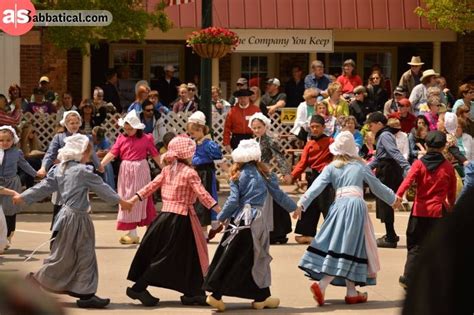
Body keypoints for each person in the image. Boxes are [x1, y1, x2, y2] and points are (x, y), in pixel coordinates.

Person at [6, 134, 131, 309]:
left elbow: (43, 187)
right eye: (88, 150)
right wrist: (122, 202)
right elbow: (103, 189)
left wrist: (23, 197)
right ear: (80, 151)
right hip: (78, 218)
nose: (90, 153)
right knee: (81, 254)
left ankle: (85, 293)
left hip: (65, 216)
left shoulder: (59, 169)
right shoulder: (83, 171)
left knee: (68, 253)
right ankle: (40, 282)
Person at [297, 131, 400, 306]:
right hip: (356, 207)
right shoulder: (360, 166)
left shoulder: (331, 167)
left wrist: (301, 203)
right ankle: (322, 285)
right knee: (349, 246)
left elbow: (316, 186)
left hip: (338, 206)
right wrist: (393, 198)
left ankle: (351, 292)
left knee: (345, 245)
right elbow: (376, 186)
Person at [203, 139, 299, 312]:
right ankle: (218, 295)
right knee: (254, 256)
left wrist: (222, 217)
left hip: (239, 221)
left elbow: (233, 200)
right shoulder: (264, 174)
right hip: (256, 221)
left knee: (236, 255)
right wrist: (294, 208)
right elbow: (278, 195)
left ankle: (261, 296)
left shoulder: (237, 175)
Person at [125, 136, 221, 307]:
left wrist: (133, 199)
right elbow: (202, 194)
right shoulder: (190, 172)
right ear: (187, 153)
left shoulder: (167, 169)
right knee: (170, 257)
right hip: (181, 219)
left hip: (164, 218)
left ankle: (194, 292)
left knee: (187, 255)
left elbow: (151, 187)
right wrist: (220, 212)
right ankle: (138, 288)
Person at [396, 131, 456, 289]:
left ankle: (408, 278)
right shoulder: (448, 167)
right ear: (444, 147)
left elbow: (407, 180)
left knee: (415, 246)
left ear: (427, 145)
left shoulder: (419, 164)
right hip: (438, 212)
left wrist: (398, 196)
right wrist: (451, 208)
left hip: (419, 211)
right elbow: (452, 192)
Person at [100, 110, 160, 244]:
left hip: (140, 170)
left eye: (130, 129)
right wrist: (102, 164)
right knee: (126, 197)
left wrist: (165, 168)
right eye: (125, 128)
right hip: (126, 170)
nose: (127, 131)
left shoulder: (146, 138)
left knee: (142, 197)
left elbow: (155, 155)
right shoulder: (121, 138)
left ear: (137, 127)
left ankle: (149, 233)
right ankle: (132, 232)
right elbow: (113, 152)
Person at [37, 110, 102, 230]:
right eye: (71, 123)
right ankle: (56, 233)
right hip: (63, 172)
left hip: (79, 173)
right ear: (65, 124)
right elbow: (50, 153)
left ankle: (79, 231)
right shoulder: (59, 137)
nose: (74, 125)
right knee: (60, 203)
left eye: (77, 122)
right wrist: (43, 167)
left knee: (79, 202)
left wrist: (98, 165)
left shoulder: (84, 137)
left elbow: (91, 153)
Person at [366, 112, 410, 248]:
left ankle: (390, 237)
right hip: (385, 168)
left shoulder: (384, 135)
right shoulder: (383, 135)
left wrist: (407, 168)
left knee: (386, 202)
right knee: (384, 202)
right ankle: (390, 234)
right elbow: (379, 157)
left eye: (371, 125)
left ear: (379, 124)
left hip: (388, 171)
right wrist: (366, 167)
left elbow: (394, 152)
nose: (370, 128)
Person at [248, 113, 293, 244]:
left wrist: (285, 172)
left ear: (265, 126)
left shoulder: (270, 140)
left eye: (259, 127)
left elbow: (279, 157)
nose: (257, 130)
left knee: (272, 202)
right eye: (254, 128)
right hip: (254, 174)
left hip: (265, 172)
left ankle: (276, 233)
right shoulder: (253, 142)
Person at [290, 115, 334, 244]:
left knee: (327, 206)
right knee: (309, 204)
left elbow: (337, 158)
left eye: (317, 127)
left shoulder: (331, 141)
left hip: (327, 178)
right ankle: (307, 233)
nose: (315, 129)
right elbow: (302, 163)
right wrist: (292, 176)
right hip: (314, 177)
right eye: (312, 127)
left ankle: (333, 234)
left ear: (323, 127)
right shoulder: (309, 144)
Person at [186, 111, 223, 241]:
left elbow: (220, 160)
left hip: (206, 175)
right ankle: (205, 229)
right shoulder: (195, 143)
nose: (191, 136)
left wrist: (230, 173)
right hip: (196, 173)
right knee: (197, 202)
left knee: (205, 201)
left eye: (193, 133)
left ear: (201, 129)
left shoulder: (209, 144)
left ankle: (205, 232)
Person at [0, 126, 38, 250]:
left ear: (13, 140)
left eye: (8, 140)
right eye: (1, 140)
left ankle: (9, 234)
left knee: (10, 211)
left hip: (12, 183)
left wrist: (36, 174)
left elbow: (24, 165)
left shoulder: (17, 152)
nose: (4, 143)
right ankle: (2, 238)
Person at [19, 122, 44, 188]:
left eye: (34, 132)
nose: (34, 134)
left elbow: (41, 154)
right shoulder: (19, 143)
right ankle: (28, 187)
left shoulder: (35, 142)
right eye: (32, 131)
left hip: (34, 166)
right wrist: (28, 155)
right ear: (26, 132)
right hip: (23, 167)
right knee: (28, 164)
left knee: (31, 161)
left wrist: (36, 153)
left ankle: (25, 185)